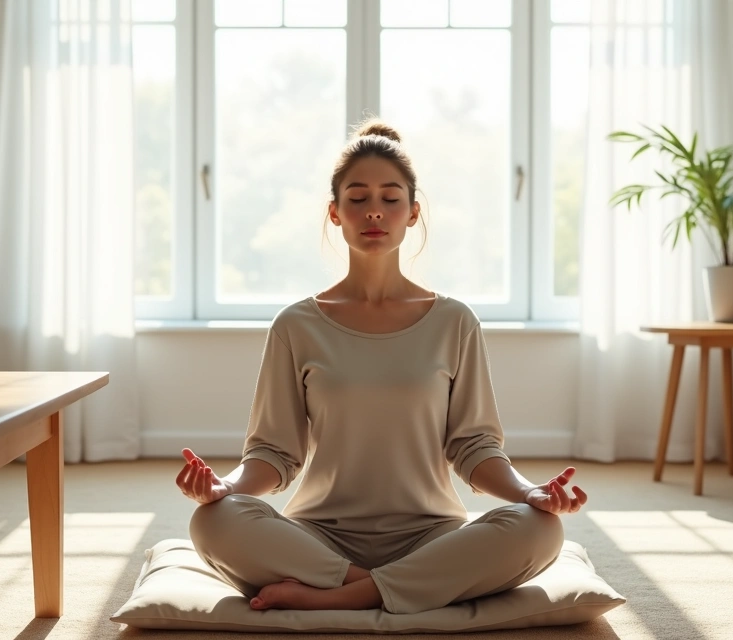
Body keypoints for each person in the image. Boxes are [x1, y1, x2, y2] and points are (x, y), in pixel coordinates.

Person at [175, 118, 588, 615]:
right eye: (358, 198)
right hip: (319, 538)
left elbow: (473, 447)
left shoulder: (454, 321)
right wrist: (224, 488)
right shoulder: (296, 325)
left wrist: (531, 492)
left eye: (391, 198)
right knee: (212, 522)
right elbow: (274, 452)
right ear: (335, 213)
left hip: (430, 536)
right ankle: (388, 588)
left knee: (540, 528)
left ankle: (342, 596)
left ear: (413, 213)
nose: (375, 211)